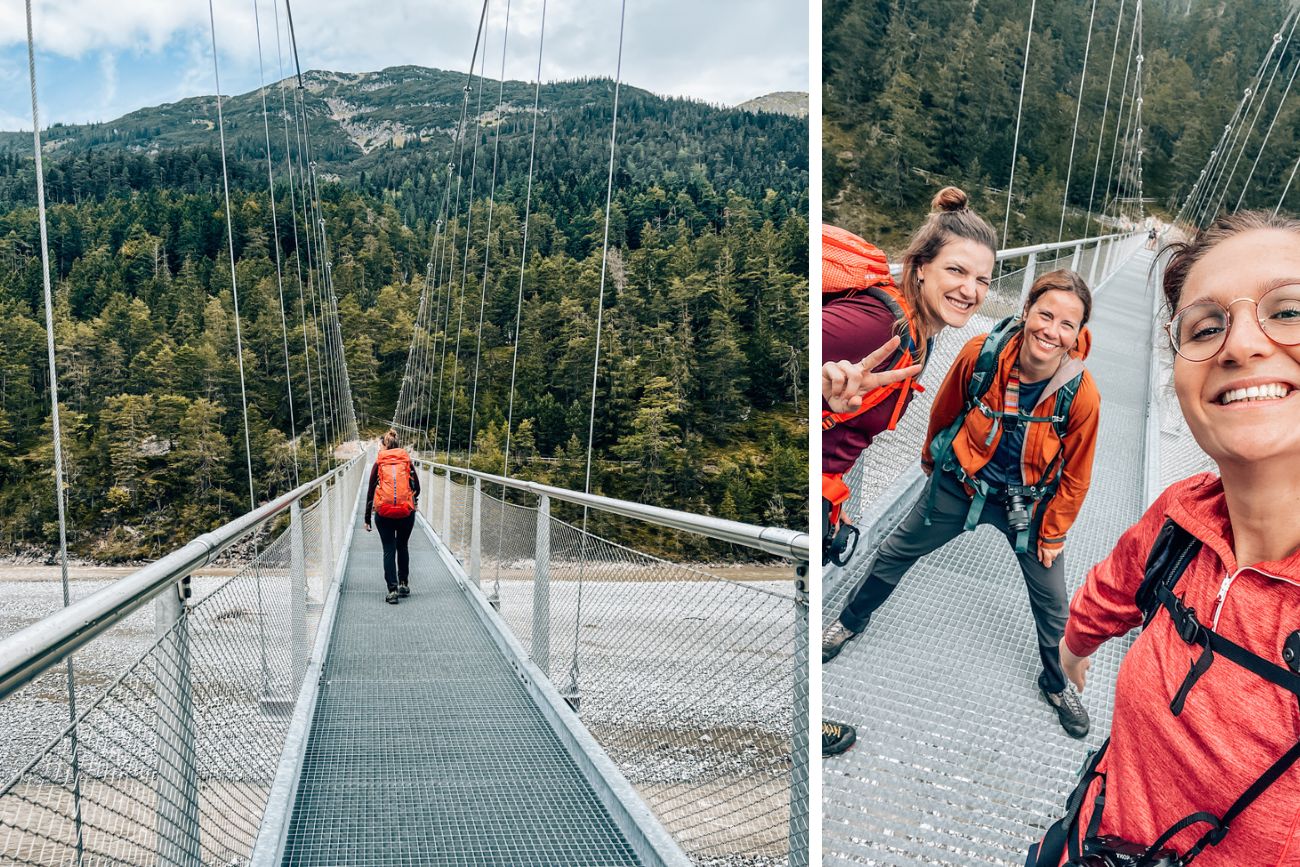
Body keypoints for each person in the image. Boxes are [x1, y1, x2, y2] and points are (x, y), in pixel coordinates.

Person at [1029, 213, 1300, 866]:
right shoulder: (1181, 519)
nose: (1239, 345)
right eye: (1204, 327)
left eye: (1288, 311)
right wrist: (1073, 647)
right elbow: (1112, 585)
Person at [824, 269, 1102, 739]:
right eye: (1045, 315)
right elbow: (947, 410)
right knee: (895, 553)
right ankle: (849, 622)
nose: (1051, 331)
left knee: (1053, 603)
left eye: (1066, 325)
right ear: (1027, 312)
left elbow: (1077, 473)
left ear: (1078, 336)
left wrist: (1053, 531)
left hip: (1028, 507)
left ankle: (1055, 685)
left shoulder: (1082, 395)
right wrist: (933, 464)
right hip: (962, 486)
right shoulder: (982, 355)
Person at [821, 186, 997, 758]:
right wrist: (823, 401)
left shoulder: (917, 330)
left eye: (984, 280)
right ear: (918, 269)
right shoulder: (876, 325)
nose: (970, 291)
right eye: (956, 271)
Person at [364, 429, 421, 604]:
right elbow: (417, 487)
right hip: (406, 512)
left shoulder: (379, 462)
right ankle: (404, 583)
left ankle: (392, 590)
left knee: (389, 549)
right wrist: (413, 500)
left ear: (384, 446)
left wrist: (367, 517)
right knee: (402, 546)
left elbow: (370, 491)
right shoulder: (406, 461)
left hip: (384, 513)